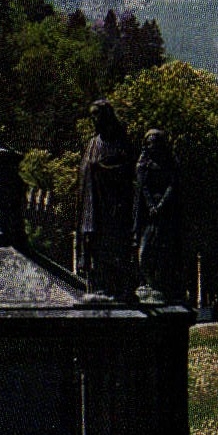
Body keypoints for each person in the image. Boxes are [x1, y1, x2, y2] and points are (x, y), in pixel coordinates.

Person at [75, 100, 135, 300]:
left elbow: (127, 172)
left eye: (97, 114)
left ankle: (117, 288)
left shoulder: (121, 144)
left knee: (114, 248)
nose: (94, 119)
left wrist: (103, 170)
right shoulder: (93, 143)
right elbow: (85, 172)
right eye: (92, 115)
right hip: (94, 208)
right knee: (97, 249)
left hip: (113, 208)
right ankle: (100, 287)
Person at [133, 129, 182, 304]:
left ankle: (159, 286)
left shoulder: (171, 164)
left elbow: (172, 185)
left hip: (166, 214)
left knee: (164, 251)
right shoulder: (142, 164)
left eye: (156, 142)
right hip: (146, 215)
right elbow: (142, 186)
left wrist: (161, 205)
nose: (152, 146)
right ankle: (148, 282)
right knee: (144, 251)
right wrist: (151, 206)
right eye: (149, 143)